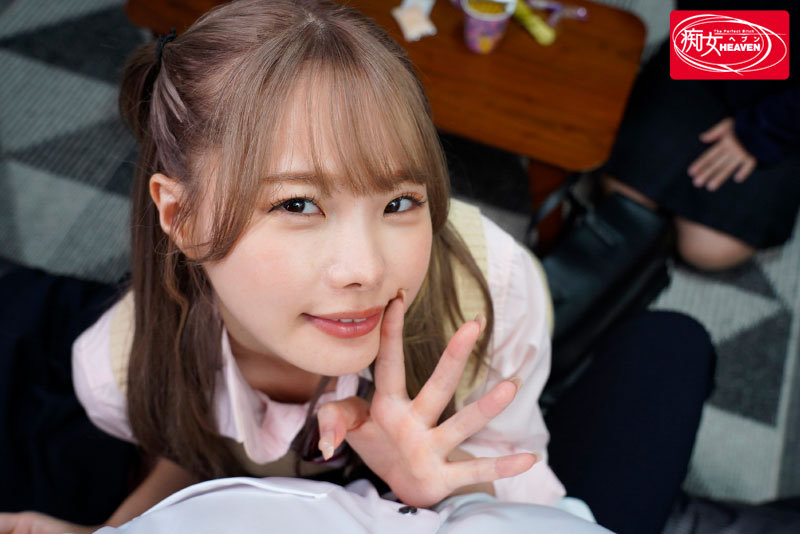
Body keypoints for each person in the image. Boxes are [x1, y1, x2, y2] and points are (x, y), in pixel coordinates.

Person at [0, 1, 715, 532]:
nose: (366, 268)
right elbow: (190, 455)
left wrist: (441, 494)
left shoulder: (494, 294)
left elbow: (519, 481)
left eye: (400, 201)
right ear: (181, 217)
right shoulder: (116, 372)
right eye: (298, 204)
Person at [602, 0, 800, 271]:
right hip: (724, 34)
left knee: (707, 250)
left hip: (790, 92)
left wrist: (765, 130)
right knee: (624, 200)